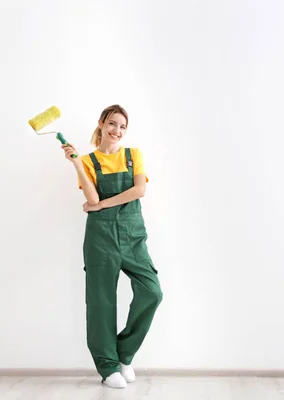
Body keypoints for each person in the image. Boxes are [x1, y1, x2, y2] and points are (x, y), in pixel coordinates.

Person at [62, 104, 163, 389]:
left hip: (132, 236)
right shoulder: (89, 160)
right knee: (101, 302)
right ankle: (107, 368)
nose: (117, 130)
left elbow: (139, 190)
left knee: (152, 292)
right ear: (101, 124)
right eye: (112, 124)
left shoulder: (133, 156)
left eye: (122, 126)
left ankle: (124, 354)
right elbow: (91, 198)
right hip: (100, 238)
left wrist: (103, 204)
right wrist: (76, 164)